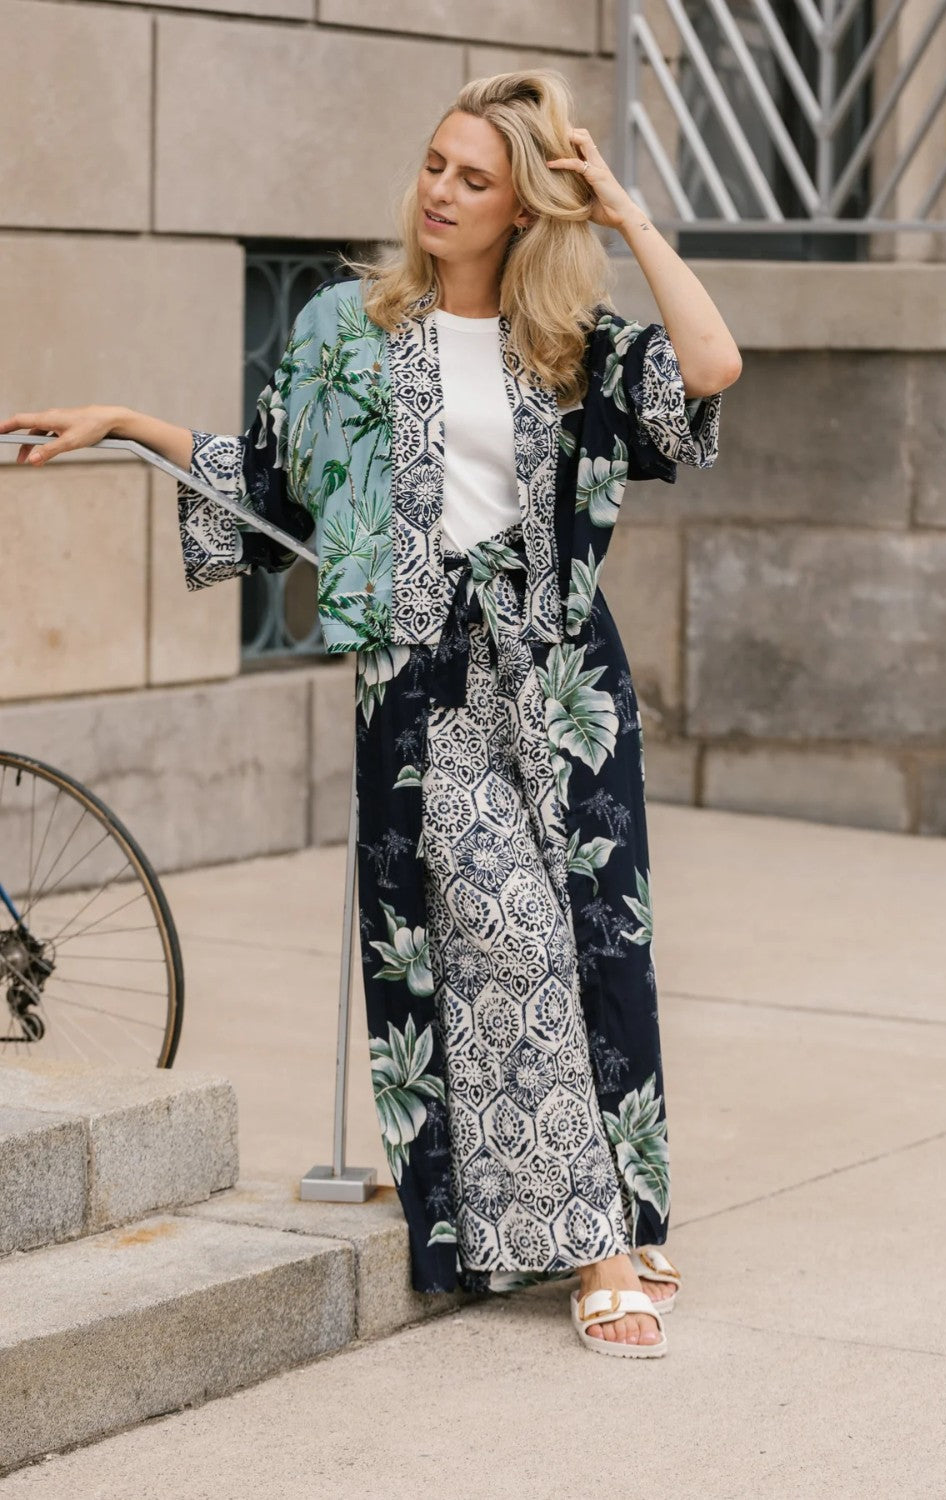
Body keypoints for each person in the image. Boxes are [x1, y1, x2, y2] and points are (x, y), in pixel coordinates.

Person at [2, 69, 740, 1359]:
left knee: (592, 957)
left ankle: (612, 1205)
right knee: (503, 940)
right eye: (433, 165)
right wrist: (125, 421)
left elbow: (713, 365)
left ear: (522, 211)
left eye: (475, 179)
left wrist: (616, 203)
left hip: (561, 685)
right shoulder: (350, 326)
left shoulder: (567, 345)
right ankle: (599, 1252)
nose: (440, 193)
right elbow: (275, 487)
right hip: (422, 684)